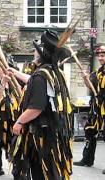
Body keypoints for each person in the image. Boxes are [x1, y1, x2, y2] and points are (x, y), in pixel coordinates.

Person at [11, 30, 74, 179]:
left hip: (42, 137)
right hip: (53, 134)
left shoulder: (40, 76)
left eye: (35, 50)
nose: (34, 52)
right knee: (51, 172)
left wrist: (19, 122)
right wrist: (14, 72)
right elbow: (33, 81)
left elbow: (36, 108)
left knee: (41, 173)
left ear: (40, 54)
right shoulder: (54, 72)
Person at [74, 45, 105, 174]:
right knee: (89, 131)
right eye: (99, 55)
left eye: (103, 55)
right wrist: (85, 78)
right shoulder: (97, 72)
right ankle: (87, 159)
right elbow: (90, 86)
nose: (100, 58)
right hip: (96, 108)